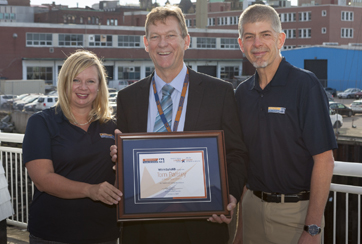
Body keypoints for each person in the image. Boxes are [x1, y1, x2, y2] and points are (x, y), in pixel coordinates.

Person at [111, 5, 247, 244]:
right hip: (142, 228)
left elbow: (236, 153)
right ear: (146, 43)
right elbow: (125, 165)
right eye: (155, 37)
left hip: (202, 225)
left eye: (171, 35)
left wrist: (231, 195)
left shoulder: (220, 93)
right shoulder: (127, 98)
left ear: (186, 41)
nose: (163, 44)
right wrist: (119, 157)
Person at [235, 4, 337, 244]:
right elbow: (242, 160)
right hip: (251, 211)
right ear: (241, 44)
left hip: (294, 216)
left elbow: (324, 160)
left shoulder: (305, 86)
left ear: (280, 39)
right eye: (249, 37)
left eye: (265, 35)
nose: (257, 44)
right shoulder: (241, 94)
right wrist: (239, 228)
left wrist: (312, 228)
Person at [23, 50, 122, 244]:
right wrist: (90, 190)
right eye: (76, 80)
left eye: (91, 81)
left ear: (100, 86)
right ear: (65, 83)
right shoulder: (41, 123)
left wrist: (122, 163)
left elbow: (123, 179)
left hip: (103, 233)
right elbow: (42, 179)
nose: (83, 87)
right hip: (53, 234)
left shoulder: (113, 126)